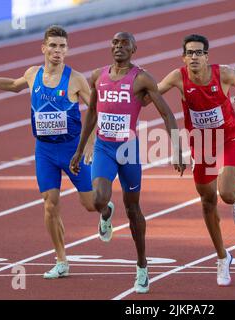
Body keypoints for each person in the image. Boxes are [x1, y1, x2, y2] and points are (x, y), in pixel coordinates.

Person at [0, 25, 97, 280]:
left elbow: (95, 111)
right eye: (53, 46)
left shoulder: (76, 79)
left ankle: (105, 207)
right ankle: (61, 260)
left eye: (62, 46)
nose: (58, 51)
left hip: (72, 151)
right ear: (44, 48)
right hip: (45, 150)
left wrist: (89, 144)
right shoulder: (33, 74)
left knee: (91, 205)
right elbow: (13, 85)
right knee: (50, 203)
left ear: (67, 50)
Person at [69, 32, 185, 294]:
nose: (118, 47)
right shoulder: (98, 76)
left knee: (133, 210)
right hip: (104, 148)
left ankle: (142, 266)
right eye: (115, 43)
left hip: (128, 151)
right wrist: (79, 151)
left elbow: (166, 114)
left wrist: (177, 149)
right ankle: (106, 214)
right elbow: (91, 116)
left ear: (134, 49)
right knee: (98, 199)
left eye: (124, 44)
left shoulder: (142, 78)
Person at [148, 34, 235, 287]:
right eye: (190, 53)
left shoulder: (224, 74)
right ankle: (222, 256)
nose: (194, 57)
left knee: (226, 194)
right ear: (184, 57)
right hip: (202, 145)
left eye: (199, 53)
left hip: (227, 138)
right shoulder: (177, 77)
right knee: (208, 202)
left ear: (207, 56)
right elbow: (152, 92)